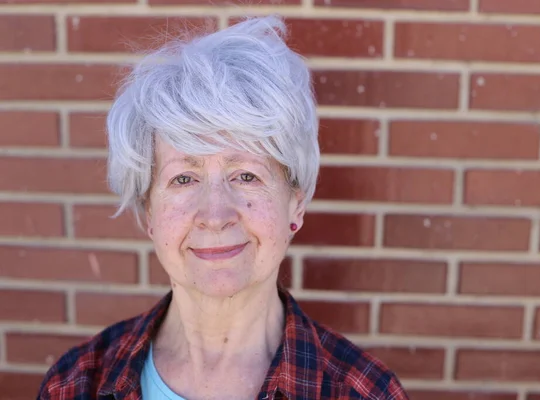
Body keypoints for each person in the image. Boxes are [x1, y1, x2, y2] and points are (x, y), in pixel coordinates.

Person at [37, 15, 410, 400]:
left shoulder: (363, 392)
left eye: (246, 175)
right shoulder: (76, 383)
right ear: (150, 213)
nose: (215, 216)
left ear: (295, 206)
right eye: (184, 178)